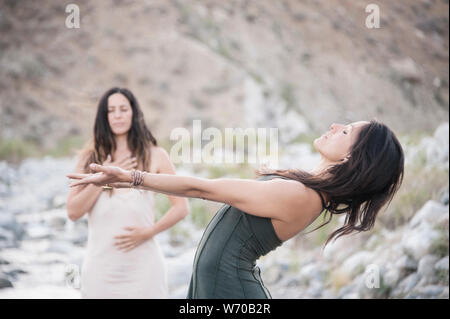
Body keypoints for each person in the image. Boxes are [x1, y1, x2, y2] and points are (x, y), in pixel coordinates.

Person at [67, 120, 404, 299]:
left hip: (229, 291)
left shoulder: (303, 196)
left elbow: (203, 188)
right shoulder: (310, 189)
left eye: (345, 131)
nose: (334, 126)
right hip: (217, 285)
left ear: (350, 158)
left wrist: (132, 177)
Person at [66, 87, 189, 299]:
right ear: (104, 117)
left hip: (144, 269)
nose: (118, 115)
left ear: (133, 113)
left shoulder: (156, 155)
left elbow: (181, 207)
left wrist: (148, 232)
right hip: (100, 271)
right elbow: (73, 212)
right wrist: (105, 180)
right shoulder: (90, 158)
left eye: (123, 109)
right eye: (111, 110)